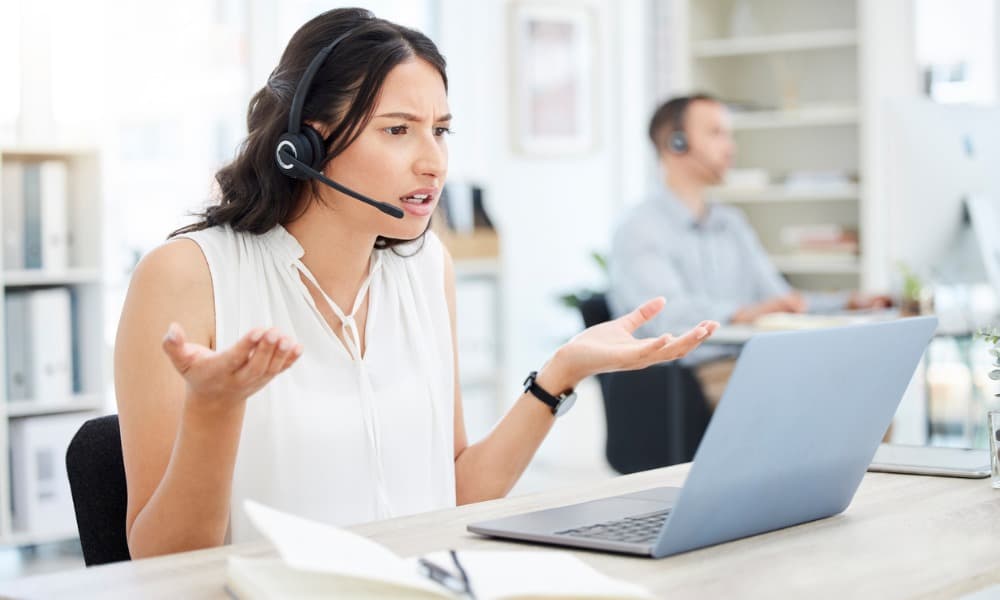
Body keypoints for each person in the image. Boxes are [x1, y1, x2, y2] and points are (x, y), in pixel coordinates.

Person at [114, 8, 719, 559]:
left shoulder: (427, 268)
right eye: (398, 130)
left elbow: (456, 492)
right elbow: (159, 561)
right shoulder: (187, 277)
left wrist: (561, 373)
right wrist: (214, 411)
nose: (433, 161)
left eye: (441, 130)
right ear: (306, 143)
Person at [608, 94, 889, 408]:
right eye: (716, 134)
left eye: (729, 135)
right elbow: (664, 320)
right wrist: (743, 314)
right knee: (829, 406)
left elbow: (780, 300)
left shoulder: (731, 223)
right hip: (688, 378)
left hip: (749, 363)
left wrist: (849, 303)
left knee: (866, 400)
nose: (730, 147)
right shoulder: (640, 227)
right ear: (676, 144)